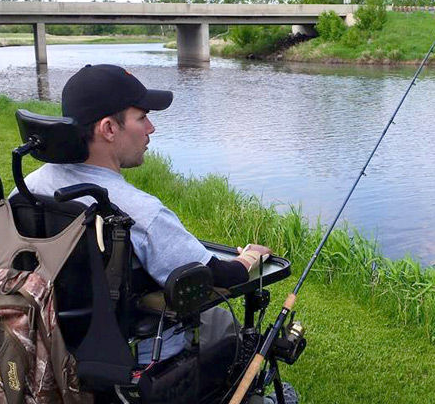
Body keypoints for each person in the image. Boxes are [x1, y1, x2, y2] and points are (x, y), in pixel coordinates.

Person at [19, 64, 270, 373]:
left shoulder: (29, 188)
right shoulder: (137, 211)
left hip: (53, 340)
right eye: (142, 118)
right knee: (222, 322)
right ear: (109, 128)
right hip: (134, 358)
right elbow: (219, 275)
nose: (151, 128)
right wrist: (248, 259)